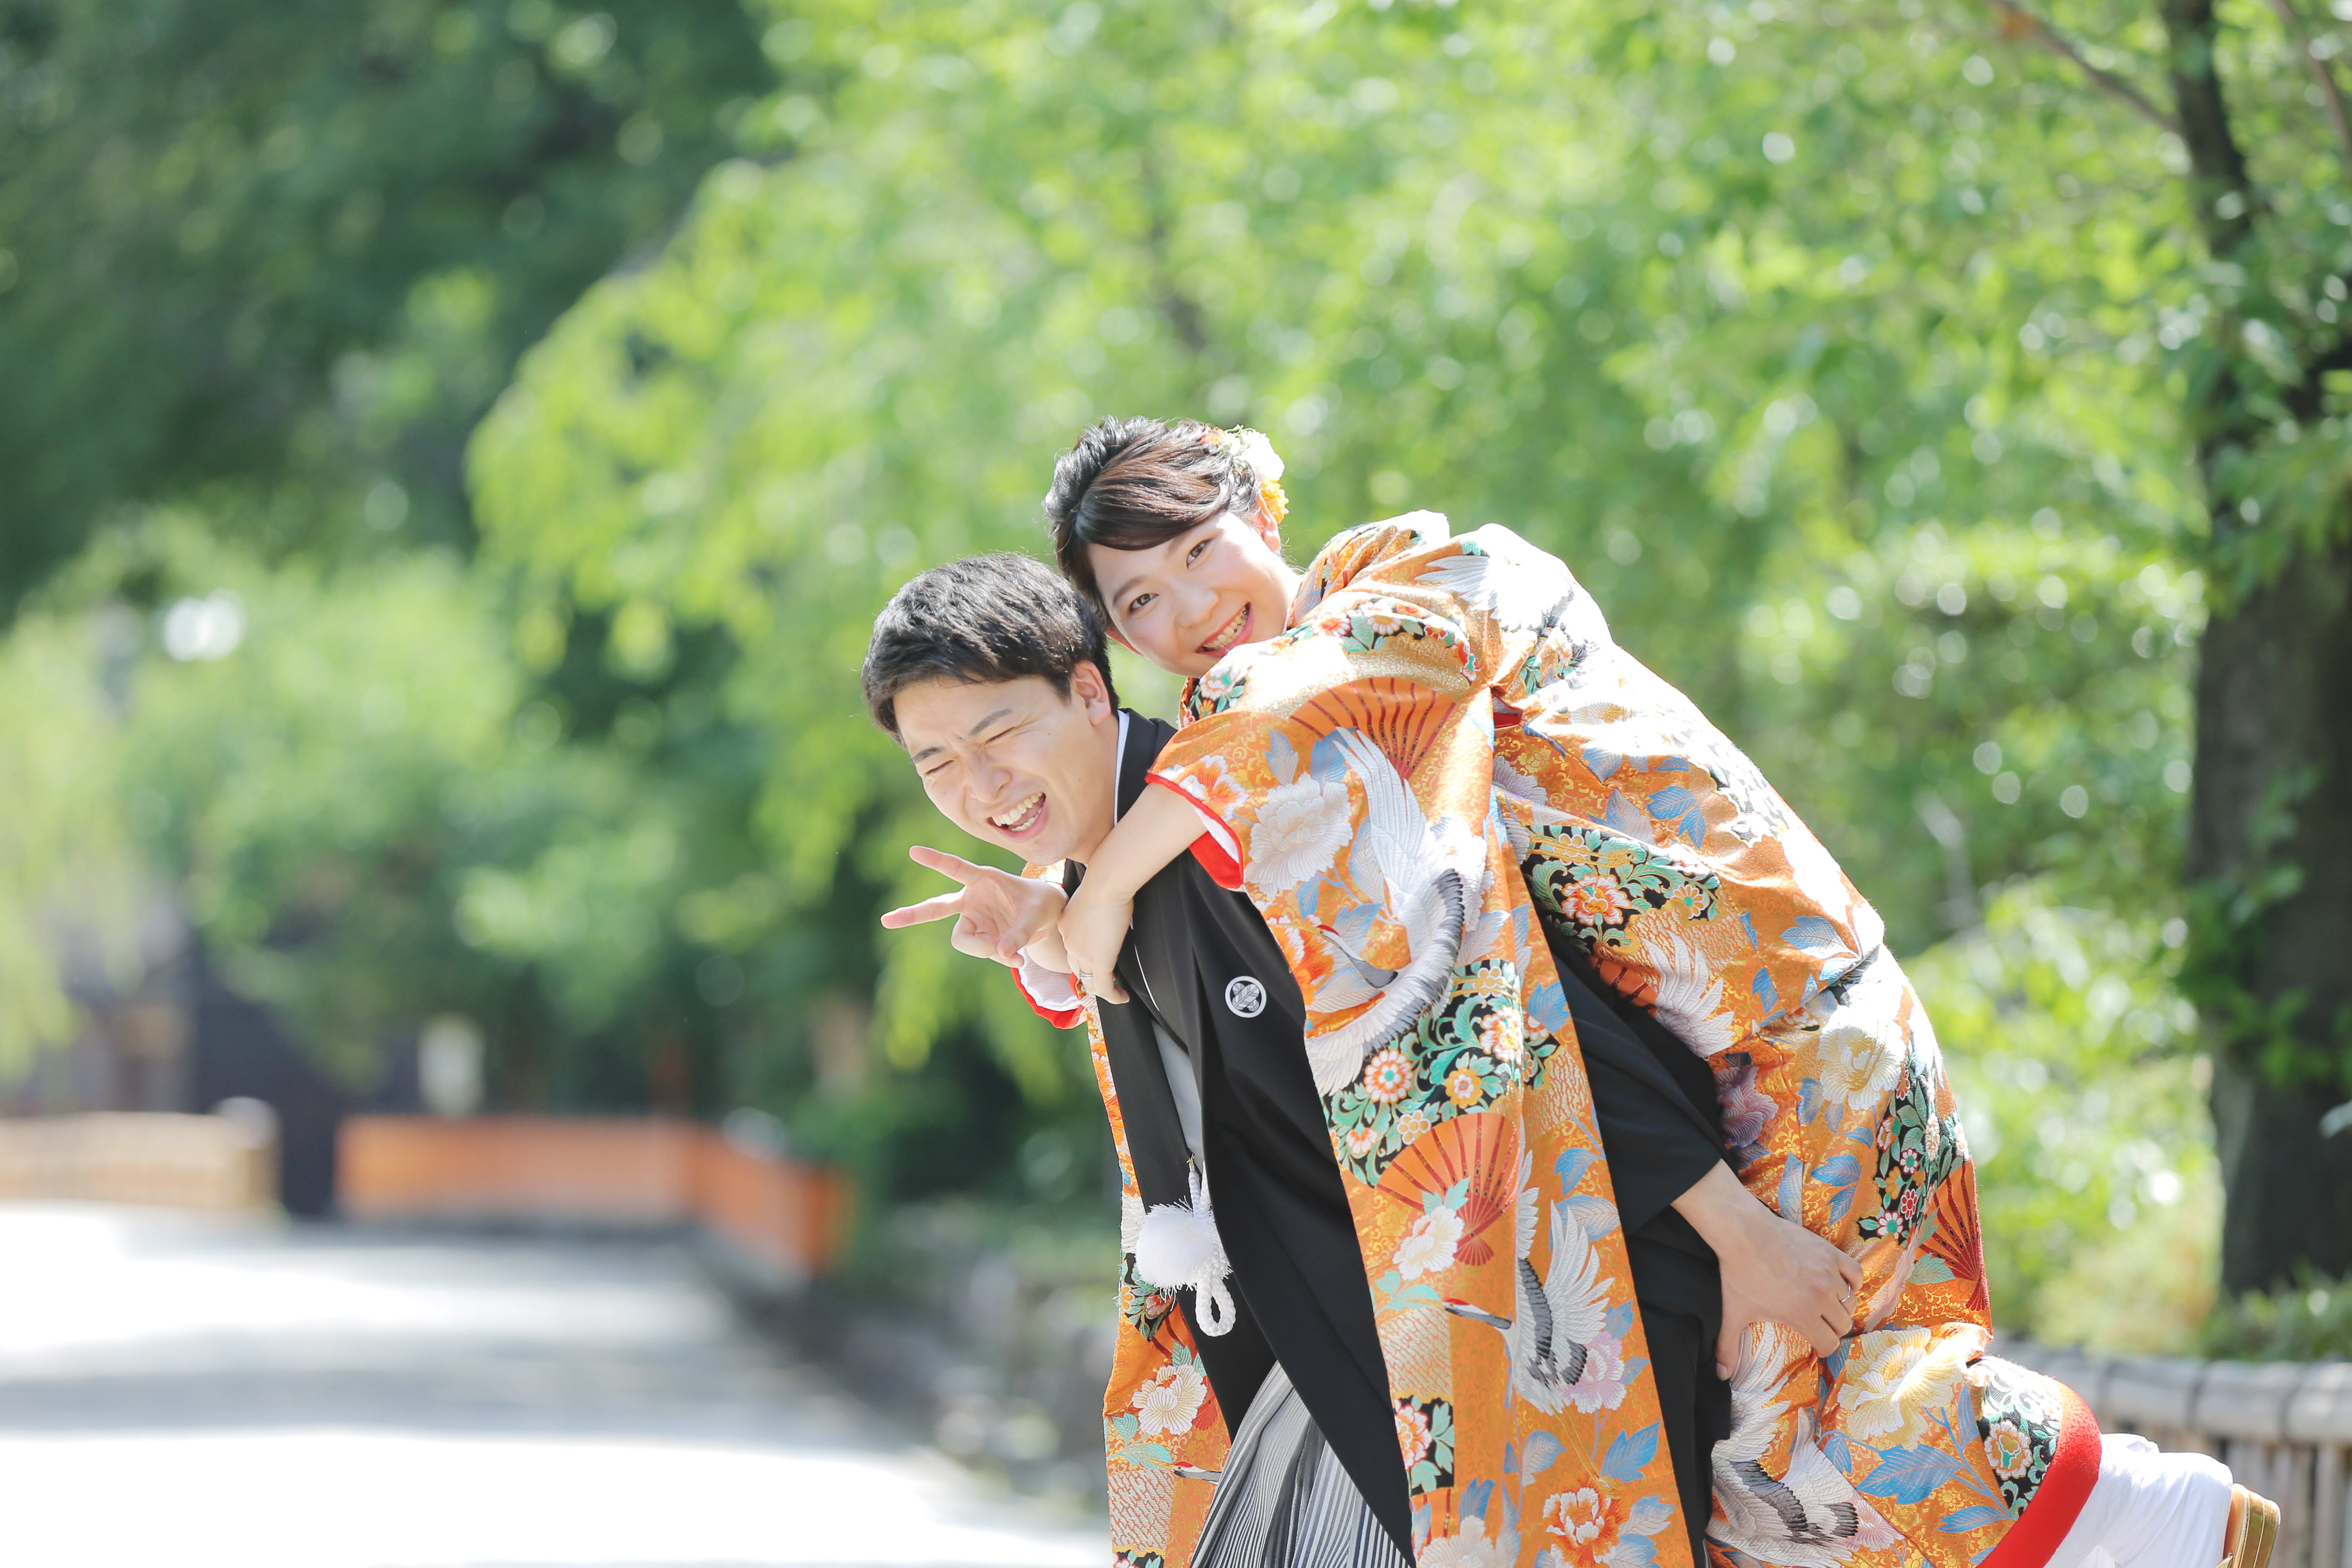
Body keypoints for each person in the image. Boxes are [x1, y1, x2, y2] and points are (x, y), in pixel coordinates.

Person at [1010, 415, 2277, 1568]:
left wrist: (1099, 888)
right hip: (1721, 1046)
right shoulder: (1287, 729)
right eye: (1140, 599)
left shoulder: (1429, 581)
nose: (1190, 607)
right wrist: (1063, 925)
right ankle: (2146, 1513)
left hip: (1793, 1022)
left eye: (1198, 550)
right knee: (1766, 1448)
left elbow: (1271, 717)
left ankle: (2145, 1507)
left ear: (1263, 513)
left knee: (1783, 1420)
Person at [866, 554, 1831, 1567]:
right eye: (936, 764)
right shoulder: (1113, 875)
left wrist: (1738, 1236)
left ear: (1089, 690)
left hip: (1535, 1308)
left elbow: (1514, 1009)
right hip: (1361, 1342)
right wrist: (1055, 930)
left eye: (998, 734)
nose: (979, 786)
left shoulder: (1261, 815)